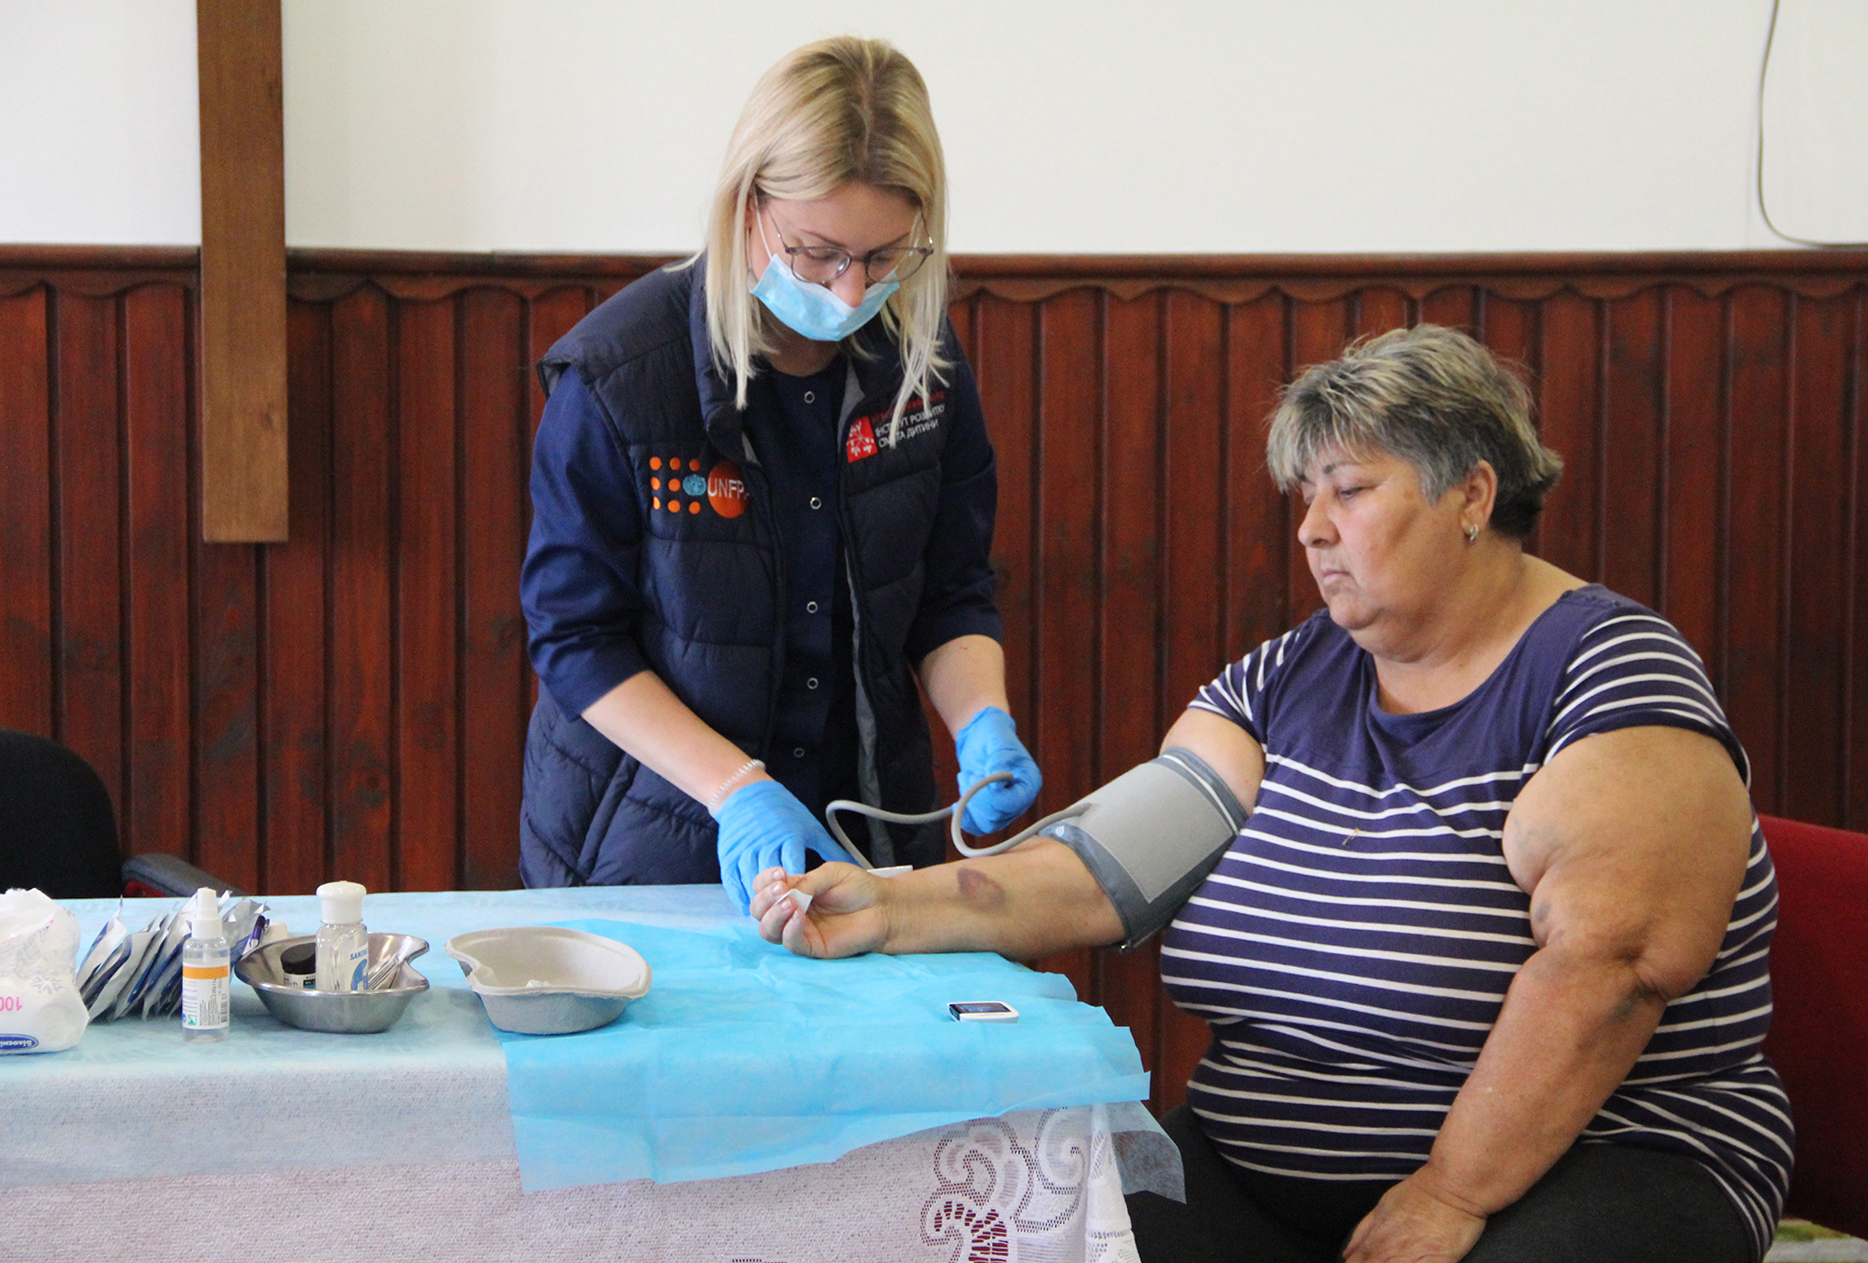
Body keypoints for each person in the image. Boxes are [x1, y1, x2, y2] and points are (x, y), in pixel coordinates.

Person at [751, 325, 1792, 1263]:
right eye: (1305, 496)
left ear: (1471, 496)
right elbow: (1101, 873)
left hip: (1585, 1168)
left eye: (1348, 489)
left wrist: (1451, 1191)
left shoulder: (1610, 678)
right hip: (1260, 1176)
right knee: (1031, 1232)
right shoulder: (1282, 680)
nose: (1310, 530)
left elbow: (1607, 969)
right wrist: (890, 905)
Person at [519, 37, 1040, 909]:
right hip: (648, 847)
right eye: (816, 252)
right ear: (746, 206)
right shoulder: (616, 378)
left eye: (882, 259)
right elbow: (575, 639)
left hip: (865, 840)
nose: (847, 293)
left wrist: (982, 718)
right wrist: (734, 786)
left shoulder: (924, 366)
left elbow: (951, 590)